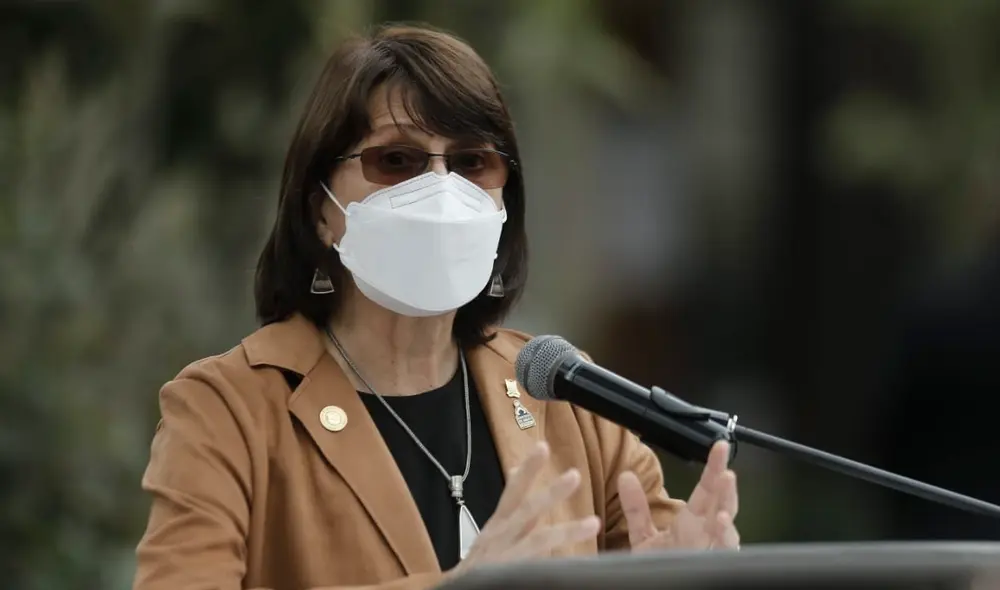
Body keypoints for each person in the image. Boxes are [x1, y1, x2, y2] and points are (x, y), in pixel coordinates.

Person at [133, 23, 740, 590]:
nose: (442, 190)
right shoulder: (227, 411)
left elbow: (667, 554)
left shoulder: (566, 400)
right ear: (321, 211)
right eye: (396, 160)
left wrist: (689, 578)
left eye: (473, 162)